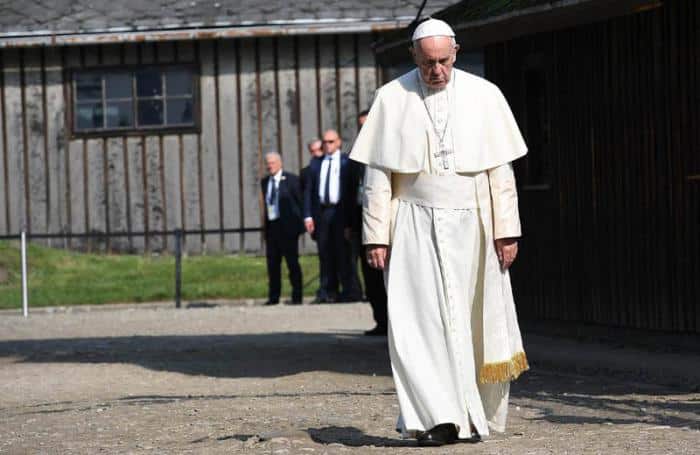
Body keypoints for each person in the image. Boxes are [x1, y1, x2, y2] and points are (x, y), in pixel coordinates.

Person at [349, 18, 529, 446]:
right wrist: (377, 235)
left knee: (471, 321)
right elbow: (378, 174)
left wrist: (508, 231)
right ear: (414, 56)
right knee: (420, 323)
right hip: (412, 221)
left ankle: (471, 415)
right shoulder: (391, 99)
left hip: (474, 221)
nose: (437, 71)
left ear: (456, 53)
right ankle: (438, 418)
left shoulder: (485, 96)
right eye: (428, 62)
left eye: (444, 62)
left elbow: (500, 173)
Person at [304, 129, 362, 303]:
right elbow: (309, 191)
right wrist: (308, 216)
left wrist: (350, 221)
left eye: (331, 141)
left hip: (341, 212)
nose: (327, 145)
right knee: (325, 252)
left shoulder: (346, 163)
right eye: (325, 142)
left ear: (338, 143)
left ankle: (350, 291)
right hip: (322, 212)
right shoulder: (316, 164)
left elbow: (352, 193)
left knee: (344, 253)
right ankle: (328, 291)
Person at [348, 110, 388, 336]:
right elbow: (349, 192)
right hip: (361, 222)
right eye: (360, 126)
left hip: (386, 224)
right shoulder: (356, 157)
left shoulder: (387, 151)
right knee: (370, 275)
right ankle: (380, 320)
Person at [261, 152, 305, 305]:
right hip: (272, 227)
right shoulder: (265, 182)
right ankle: (274, 297)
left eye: (272, 162)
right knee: (272, 264)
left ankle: (297, 296)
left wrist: (299, 225)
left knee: (292, 263)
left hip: (288, 229)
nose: (269, 166)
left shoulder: (291, 180)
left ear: (280, 163)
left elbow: (300, 203)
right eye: (267, 163)